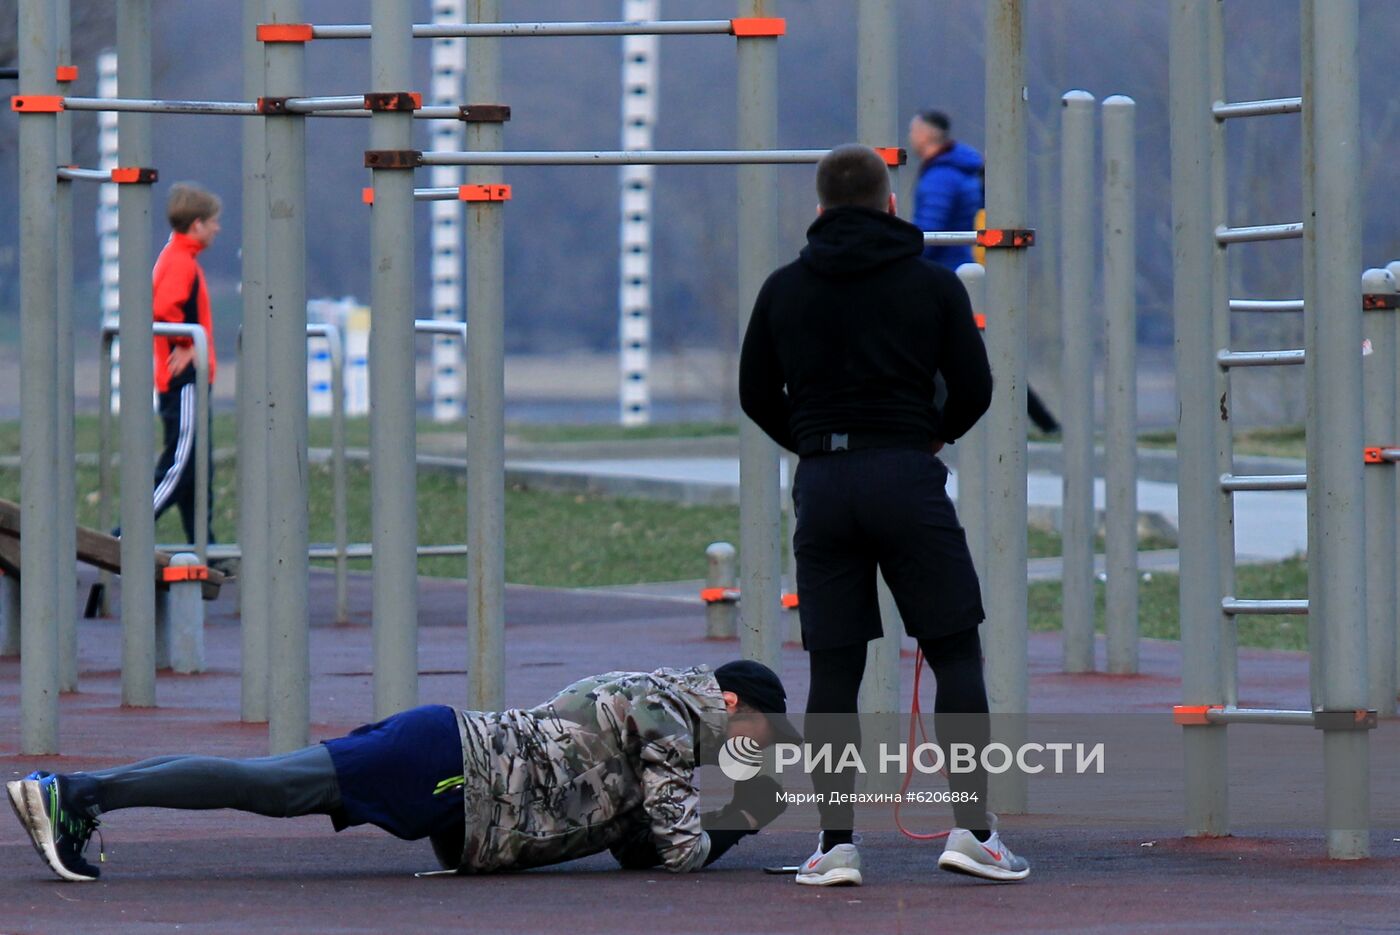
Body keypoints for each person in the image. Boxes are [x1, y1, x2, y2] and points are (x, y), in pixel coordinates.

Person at [739, 144, 1030, 886]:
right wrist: (929, 434)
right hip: (906, 474)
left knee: (834, 666)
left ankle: (835, 845)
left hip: (825, 484)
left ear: (819, 209)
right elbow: (975, 385)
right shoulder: (933, 287)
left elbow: (753, 391)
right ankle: (973, 833)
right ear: (891, 204)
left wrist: (810, 442)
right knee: (955, 652)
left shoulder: (783, 289)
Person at [7, 661, 796, 882]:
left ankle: (82, 793)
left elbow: (642, 848)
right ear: (731, 702)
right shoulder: (668, 715)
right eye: (755, 732)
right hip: (450, 767)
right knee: (267, 785)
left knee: (267, 783)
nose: (750, 750)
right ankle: (76, 791)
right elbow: (683, 851)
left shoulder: (658, 706)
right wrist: (748, 816)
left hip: (452, 764)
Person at [908, 110, 1060, 435]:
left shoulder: (940, 176)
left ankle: (940, 423)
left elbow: (929, 228)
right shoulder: (963, 170)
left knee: (952, 353)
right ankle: (1044, 422)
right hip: (963, 269)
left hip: (941, 272)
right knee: (983, 352)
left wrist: (906, 255)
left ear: (925, 134)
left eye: (913, 130)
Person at [151, 183, 221, 546]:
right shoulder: (180, 260)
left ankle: (204, 547)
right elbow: (164, 309)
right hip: (184, 382)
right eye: (213, 222)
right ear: (196, 225)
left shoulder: (179, 256)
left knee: (196, 470)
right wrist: (188, 344)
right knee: (179, 467)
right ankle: (124, 536)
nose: (217, 229)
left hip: (183, 380)